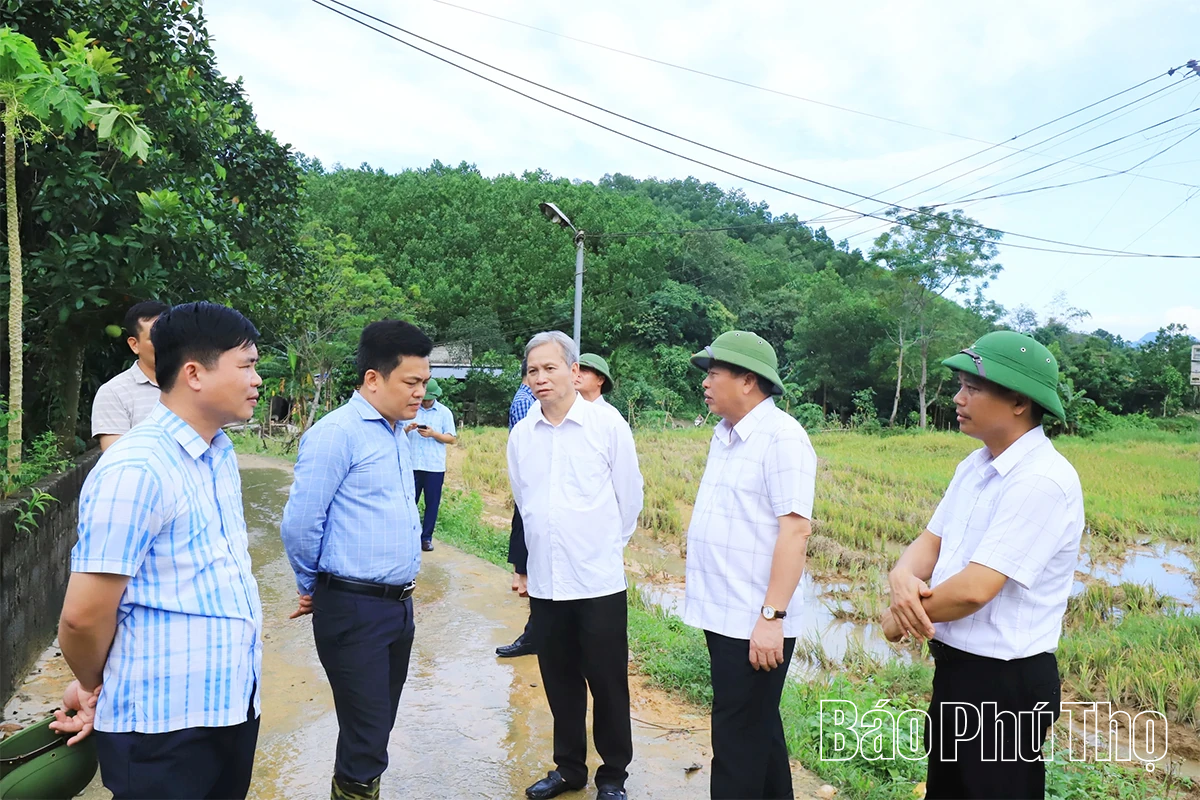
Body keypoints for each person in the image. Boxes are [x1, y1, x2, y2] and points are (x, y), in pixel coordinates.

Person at [51, 302, 264, 799]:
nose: (257, 380)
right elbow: (82, 618)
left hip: (232, 708)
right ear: (194, 373)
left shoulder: (220, 454)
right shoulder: (137, 467)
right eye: (247, 365)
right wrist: (91, 685)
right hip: (161, 726)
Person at [882, 331, 1083, 800]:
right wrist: (899, 577)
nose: (958, 398)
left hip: (1005, 686)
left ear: (1018, 401)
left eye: (973, 387)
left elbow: (975, 589)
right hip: (958, 671)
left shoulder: (1042, 480)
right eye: (960, 385)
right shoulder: (974, 467)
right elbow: (929, 542)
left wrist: (898, 618)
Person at [280, 320, 432, 800]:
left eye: (424, 382)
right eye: (411, 382)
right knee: (367, 735)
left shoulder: (396, 434)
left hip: (397, 607)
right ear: (372, 378)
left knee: (376, 724)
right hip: (353, 608)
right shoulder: (336, 435)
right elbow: (300, 524)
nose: (419, 392)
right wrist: (315, 586)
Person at [682, 330, 817, 800]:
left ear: (747, 380)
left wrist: (771, 617)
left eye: (714, 373)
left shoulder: (782, 438)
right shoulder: (726, 435)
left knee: (736, 740)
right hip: (724, 612)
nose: (706, 382)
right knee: (758, 727)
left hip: (754, 618)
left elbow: (796, 530)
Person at [508, 332, 643, 800]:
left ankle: (613, 777)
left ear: (573, 370)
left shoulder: (607, 426)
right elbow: (524, 502)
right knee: (560, 683)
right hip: (547, 585)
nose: (541, 378)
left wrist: (600, 548)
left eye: (550, 368)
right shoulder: (523, 432)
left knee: (607, 685)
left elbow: (630, 499)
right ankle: (569, 770)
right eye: (532, 371)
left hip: (598, 582)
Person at [497, 363, 538, 658]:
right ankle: (535, 636)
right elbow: (530, 454)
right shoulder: (526, 402)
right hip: (534, 493)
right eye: (537, 370)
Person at [91, 300, 169, 450]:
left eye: (171, 335)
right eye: (157, 337)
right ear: (134, 344)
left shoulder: (197, 383)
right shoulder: (114, 393)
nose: (167, 343)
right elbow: (116, 460)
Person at [404, 377, 457, 552]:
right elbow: (397, 434)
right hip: (412, 464)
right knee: (409, 502)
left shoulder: (444, 413)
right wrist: (408, 429)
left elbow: (452, 438)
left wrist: (434, 434)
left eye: (428, 398)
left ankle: (426, 538)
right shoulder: (411, 409)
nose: (425, 401)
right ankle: (408, 536)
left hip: (434, 466)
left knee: (432, 505)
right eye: (424, 398)